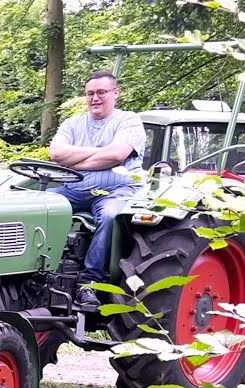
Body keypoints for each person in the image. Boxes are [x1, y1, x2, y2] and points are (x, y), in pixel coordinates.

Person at [47, 71, 146, 309]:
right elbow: (56, 154)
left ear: (116, 93)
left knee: (111, 216)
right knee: (37, 206)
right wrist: (101, 153)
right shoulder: (73, 124)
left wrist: (75, 161)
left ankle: (90, 282)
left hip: (118, 190)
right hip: (75, 189)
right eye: (90, 93)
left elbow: (116, 154)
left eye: (101, 92)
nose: (95, 98)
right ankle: (39, 273)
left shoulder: (128, 121)